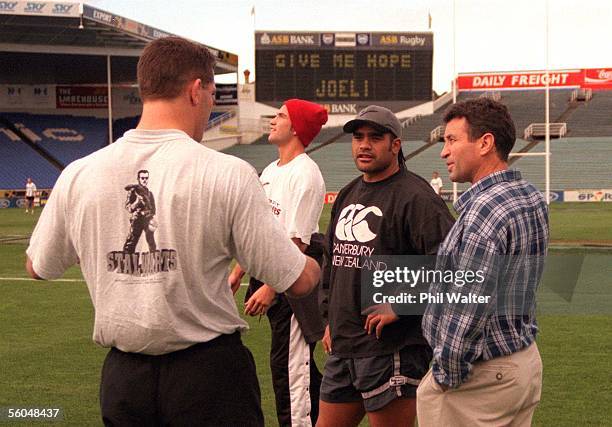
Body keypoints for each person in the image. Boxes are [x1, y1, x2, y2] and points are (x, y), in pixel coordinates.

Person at [25, 36, 321, 427]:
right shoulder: (227, 173)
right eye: (214, 94)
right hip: (209, 378)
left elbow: (37, 267)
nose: (212, 104)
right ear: (196, 90)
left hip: (124, 382)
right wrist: (315, 260)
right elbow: (296, 280)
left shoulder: (79, 174)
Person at [317, 105, 455, 427]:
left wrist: (402, 304)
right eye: (358, 137)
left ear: (395, 145)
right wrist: (330, 318)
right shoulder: (348, 193)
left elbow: (452, 264)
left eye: (375, 137)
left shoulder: (416, 196)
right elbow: (332, 262)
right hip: (344, 345)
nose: (364, 145)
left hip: (392, 349)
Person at [417, 98, 549, 426]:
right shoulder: (529, 194)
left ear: (485, 143)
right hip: (522, 360)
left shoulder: (484, 209)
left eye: (452, 140)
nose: (443, 151)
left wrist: (445, 373)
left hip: (483, 378)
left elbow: (467, 307)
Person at [228, 99, 327, 427]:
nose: (273, 120)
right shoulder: (271, 171)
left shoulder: (306, 175)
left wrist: (271, 288)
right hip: (274, 275)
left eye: (281, 116)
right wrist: (239, 272)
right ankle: (336, 410)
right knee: (294, 368)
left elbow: (297, 243)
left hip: (294, 282)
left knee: (290, 370)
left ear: (296, 128)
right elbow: (258, 230)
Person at [123, 169, 157, 253]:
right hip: (137, 219)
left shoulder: (150, 193)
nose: (145, 180)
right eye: (142, 178)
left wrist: (150, 215)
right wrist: (137, 202)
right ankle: (126, 261)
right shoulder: (133, 191)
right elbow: (128, 207)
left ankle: (153, 261)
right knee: (131, 242)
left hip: (148, 220)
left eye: (146, 178)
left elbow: (153, 209)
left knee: (151, 242)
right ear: (138, 179)